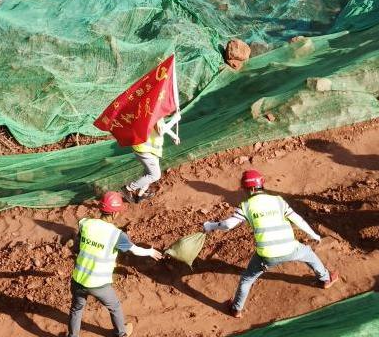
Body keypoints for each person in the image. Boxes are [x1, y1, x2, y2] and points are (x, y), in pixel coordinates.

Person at [203, 170, 338, 318]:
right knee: (309, 254)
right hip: (291, 248)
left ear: (251, 189)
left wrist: (210, 226)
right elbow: (298, 219)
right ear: (261, 185)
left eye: (245, 189)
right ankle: (325, 279)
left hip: (267, 256)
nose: (244, 192)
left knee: (247, 279)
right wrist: (314, 235)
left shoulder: (246, 206)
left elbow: (228, 225)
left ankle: (236, 309)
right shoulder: (278, 200)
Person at [66, 192, 164, 337]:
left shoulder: (86, 223)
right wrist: (150, 252)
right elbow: (134, 250)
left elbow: (78, 243)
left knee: (76, 309)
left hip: (78, 279)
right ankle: (122, 334)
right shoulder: (116, 235)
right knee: (115, 307)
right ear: (114, 212)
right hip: (98, 283)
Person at [124, 115, 176, 203]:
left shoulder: (150, 108)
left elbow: (161, 126)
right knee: (155, 175)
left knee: (149, 173)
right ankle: (129, 188)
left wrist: (173, 135)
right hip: (146, 150)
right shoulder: (155, 110)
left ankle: (140, 194)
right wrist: (175, 119)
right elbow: (161, 130)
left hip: (146, 149)